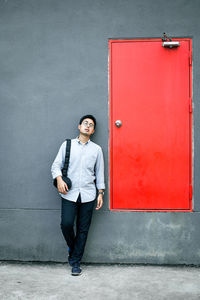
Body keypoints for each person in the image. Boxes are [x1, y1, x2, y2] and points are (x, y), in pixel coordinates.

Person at [51, 115, 105, 276]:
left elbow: (99, 173)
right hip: (69, 193)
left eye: (91, 125)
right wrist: (59, 179)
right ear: (79, 126)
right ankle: (73, 249)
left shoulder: (97, 150)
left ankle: (75, 261)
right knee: (66, 224)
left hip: (88, 194)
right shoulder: (67, 145)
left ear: (93, 130)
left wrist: (100, 193)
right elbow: (56, 165)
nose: (88, 126)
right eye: (85, 123)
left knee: (83, 230)